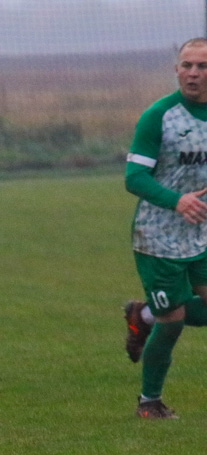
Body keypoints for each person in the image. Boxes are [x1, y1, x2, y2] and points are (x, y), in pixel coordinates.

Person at [123, 37, 207, 419]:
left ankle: (143, 317)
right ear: (176, 70)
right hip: (157, 237)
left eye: (202, 66)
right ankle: (149, 403)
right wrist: (178, 200)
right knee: (172, 321)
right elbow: (134, 177)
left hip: (200, 233)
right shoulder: (159, 115)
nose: (193, 73)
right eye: (187, 65)